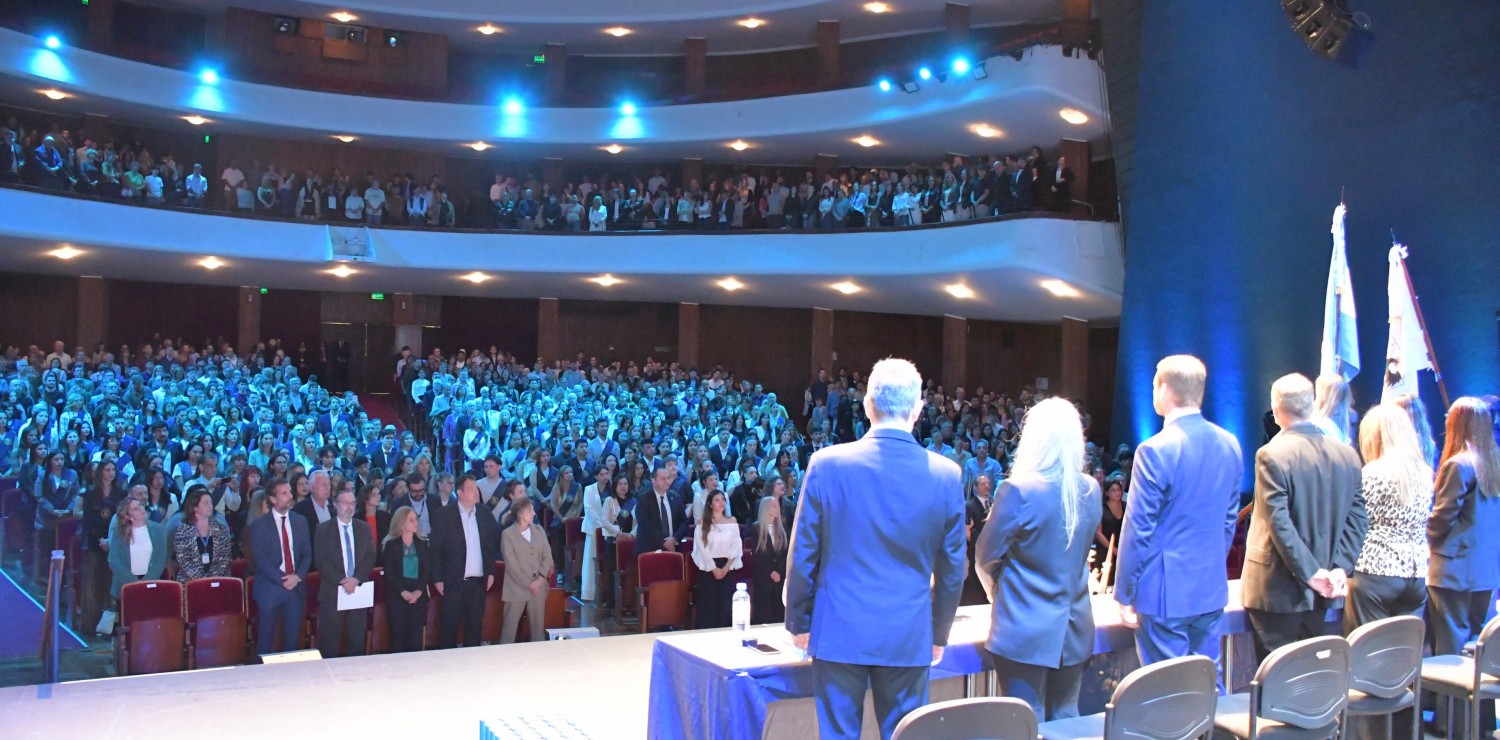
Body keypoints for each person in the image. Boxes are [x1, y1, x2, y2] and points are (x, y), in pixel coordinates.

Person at [786, 358, 966, 740]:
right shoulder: (946, 475)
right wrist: (939, 633)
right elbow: (952, 568)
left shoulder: (826, 464)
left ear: (867, 405)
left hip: (838, 628)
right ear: (918, 410)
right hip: (907, 631)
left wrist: (799, 621)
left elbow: (803, 554)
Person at [1113, 355, 1243, 672]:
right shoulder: (1231, 444)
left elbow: (1138, 528)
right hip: (1209, 587)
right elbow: (1228, 522)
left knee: (1167, 691)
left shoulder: (1155, 449)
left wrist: (1124, 592)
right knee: (1207, 683)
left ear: (1165, 388)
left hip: (1164, 593)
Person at [976, 398, 1102, 721]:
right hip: (1073, 631)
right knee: (1065, 718)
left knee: (1024, 720)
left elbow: (985, 557)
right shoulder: (1090, 489)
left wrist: (997, 592)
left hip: (1023, 629)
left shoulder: (1018, 490)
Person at [1240, 373, 1366, 662]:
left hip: (1277, 591)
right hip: (1324, 589)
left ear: (1275, 407)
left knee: (1277, 685)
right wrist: (1337, 569)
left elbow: (1279, 524)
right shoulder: (1347, 455)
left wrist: (1311, 574)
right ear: (1312, 404)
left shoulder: (1271, 454)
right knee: (1309, 680)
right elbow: (1358, 520)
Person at [1343, 403, 1433, 740]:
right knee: (1401, 664)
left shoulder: (1372, 473)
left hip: (1374, 574)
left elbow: (1354, 523)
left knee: (1366, 662)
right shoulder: (1425, 473)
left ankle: (1367, 734)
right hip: (1415, 576)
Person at [1426, 398, 1500, 659]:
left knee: (1450, 646)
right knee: (1480, 646)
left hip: (1453, 569)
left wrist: (1427, 540)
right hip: (1486, 569)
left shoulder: (1459, 464)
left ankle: (1451, 701)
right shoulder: (1494, 462)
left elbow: (1443, 515)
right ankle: (1478, 701)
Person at [429, 474, 497, 649]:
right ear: (459, 493)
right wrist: (437, 578)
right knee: (448, 628)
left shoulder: (484, 513)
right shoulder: (444, 515)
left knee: (474, 628)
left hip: (477, 583)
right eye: (471, 489)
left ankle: (471, 667)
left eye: (476, 488)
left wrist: (490, 572)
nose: (476, 492)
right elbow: (435, 550)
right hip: (453, 582)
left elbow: (490, 546)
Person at [248, 478, 313, 657]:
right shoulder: (259, 526)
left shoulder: (300, 521)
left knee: (292, 641)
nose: (290, 496)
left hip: (295, 588)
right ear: (273, 499)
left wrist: (297, 577)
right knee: (266, 641)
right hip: (270, 589)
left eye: (290, 492)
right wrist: (283, 579)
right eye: (284, 493)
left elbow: (307, 554)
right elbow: (260, 560)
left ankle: (290, 679)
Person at [313, 485, 375, 658]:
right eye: (345, 503)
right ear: (335, 505)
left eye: (352, 503)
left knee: (356, 637)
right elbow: (321, 560)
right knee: (330, 638)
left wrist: (356, 579)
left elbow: (370, 557)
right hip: (333, 590)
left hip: (358, 589)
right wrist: (343, 580)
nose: (349, 507)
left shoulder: (363, 528)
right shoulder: (323, 529)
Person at [499, 496, 553, 643]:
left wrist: (540, 580)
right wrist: (529, 584)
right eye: (530, 511)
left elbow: (547, 556)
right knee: (509, 629)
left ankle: (538, 661)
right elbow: (512, 566)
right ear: (520, 514)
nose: (534, 513)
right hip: (516, 588)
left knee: (537, 630)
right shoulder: (507, 535)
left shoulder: (539, 530)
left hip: (538, 587)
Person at [380, 505, 429, 653]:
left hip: (418, 596)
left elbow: (427, 570)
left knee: (415, 639)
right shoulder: (391, 545)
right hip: (397, 596)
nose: (416, 523)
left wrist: (419, 591)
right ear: (401, 524)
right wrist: (403, 592)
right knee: (397, 639)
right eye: (411, 520)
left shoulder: (422, 544)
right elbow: (390, 573)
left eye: (416, 519)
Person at [690, 490, 742, 628]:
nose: (721, 503)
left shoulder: (732, 521)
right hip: (708, 569)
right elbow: (701, 547)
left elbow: (736, 546)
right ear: (710, 504)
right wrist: (714, 568)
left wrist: (725, 568)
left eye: (723, 499)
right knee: (708, 607)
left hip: (727, 567)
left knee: (725, 606)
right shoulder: (703, 522)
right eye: (717, 500)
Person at [107, 498, 167, 600]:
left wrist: (146, 583)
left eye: (140, 505)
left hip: (151, 584)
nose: (141, 508)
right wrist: (134, 583)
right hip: (125, 584)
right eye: (135, 509)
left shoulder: (159, 529)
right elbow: (114, 560)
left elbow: (160, 559)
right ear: (127, 516)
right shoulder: (118, 533)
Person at [173, 487, 233, 582]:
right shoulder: (183, 530)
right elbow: (183, 560)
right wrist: (202, 580)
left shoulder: (220, 527)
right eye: (206, 503)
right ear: (195, 507)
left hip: (218, 579)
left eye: (210, 502)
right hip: (190, 582)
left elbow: (226, 556)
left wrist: (212, 578)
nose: (210, 506)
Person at [633, 465, 689, 559]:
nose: (667, 481)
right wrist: (665, 543)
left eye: (668, 478)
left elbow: (684, 522)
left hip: (673, 548)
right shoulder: (643, 499)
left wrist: (674, 538)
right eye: (663, 478)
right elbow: (645, 524)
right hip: (649, 549)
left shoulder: (676, 498)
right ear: (653, 481)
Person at [598, 474, 636, 610]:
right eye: (620, 484)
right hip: (613, 541)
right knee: (613, 572)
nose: (623, 486)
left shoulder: (634, 501)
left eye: (625, 484)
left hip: (630, 542)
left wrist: (631, 535)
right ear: (615, 486)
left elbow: (638, 522)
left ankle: (628, 603)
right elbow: (605, 521)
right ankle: (612, 604)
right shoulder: (609, 500)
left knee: (630, 572)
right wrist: (618, 533)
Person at [751, 495, 788, 625]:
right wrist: (770, 572)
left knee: (778, 612)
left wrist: (779, 571)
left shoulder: (782, 530)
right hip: (763, 578)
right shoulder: (756, 529)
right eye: (773, 505)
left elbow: (785, 555)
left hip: (779, 579)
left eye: (778, 505)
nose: (777, 508)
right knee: (763, 612)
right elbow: (758, 555)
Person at [579, 465, 609, 602]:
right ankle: (589, 592)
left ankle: (604, 592)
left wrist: (608, 525)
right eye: (601, 474)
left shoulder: (610, 490)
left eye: (606, 474)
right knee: (591, 560)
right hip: (593, 529)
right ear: (596, 476)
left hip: (609, 530)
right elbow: (589, 510)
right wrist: (602, 524)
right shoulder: (589, 489)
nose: (604, 477)